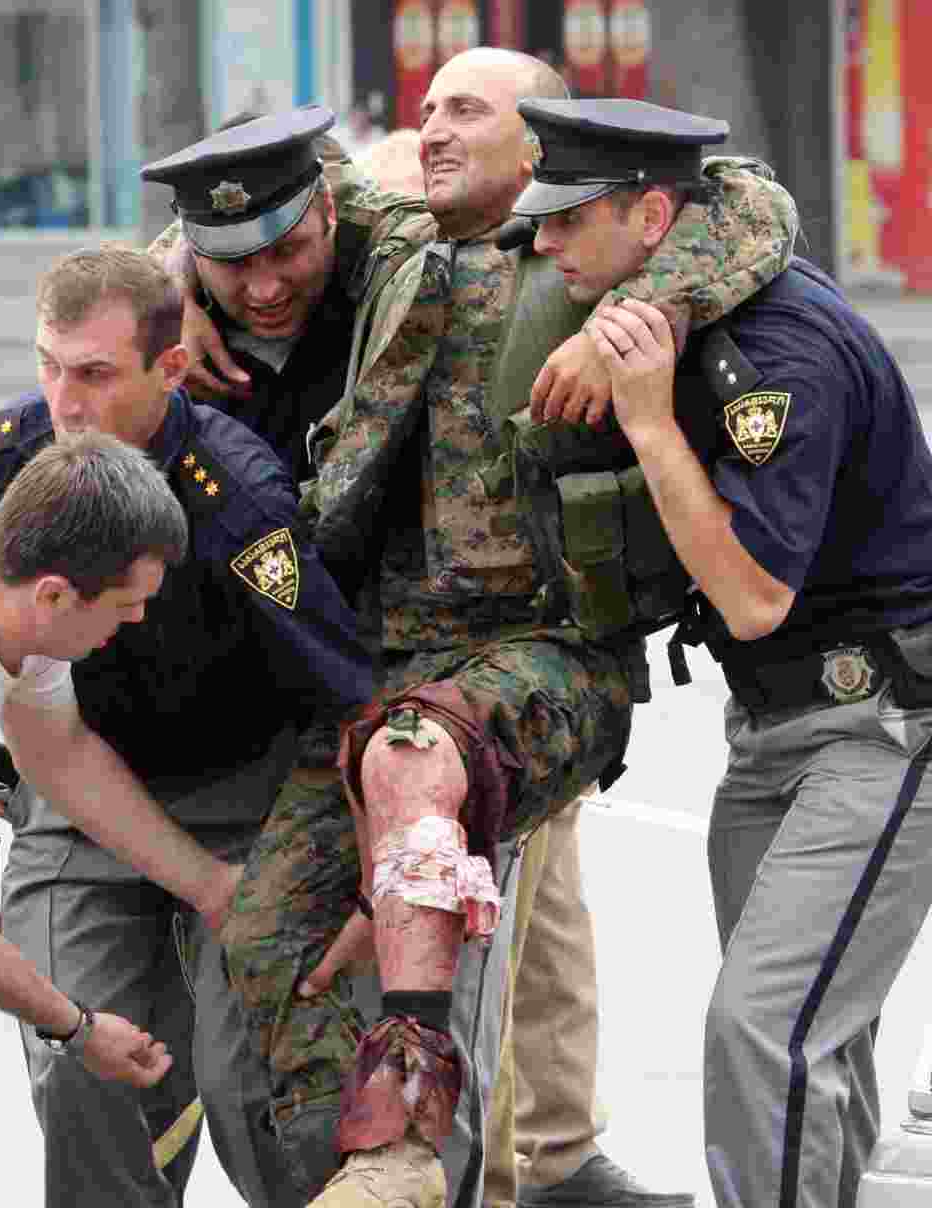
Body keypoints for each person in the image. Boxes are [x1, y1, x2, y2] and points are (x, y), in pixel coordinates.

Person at [206, 49, 798, 1208]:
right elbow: (268, 206)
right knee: (268, 926)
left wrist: (640, 311)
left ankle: (421, 1116)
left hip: (542, 658)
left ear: (541, 150)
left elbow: (755, 202)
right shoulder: (391, 229)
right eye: (425, 108)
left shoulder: (595, 254)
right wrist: (181, 262)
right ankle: (370, 1166)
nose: (429, 128)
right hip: (387, 668)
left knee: (433, 791)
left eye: (464, 111)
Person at [515, 95, 932, 1208]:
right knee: (812, 1044)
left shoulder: (777, 345)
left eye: (566, 220)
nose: (543, 243)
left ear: (652, 216)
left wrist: (649, 419)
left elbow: (750, 595)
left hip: (879, 728)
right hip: (772, 735)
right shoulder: (676, 306)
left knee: (763, 1031)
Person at [0, 244, 373, 1208]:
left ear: (169, 367)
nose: (64, 400)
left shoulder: (240, 497)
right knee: (79, 1066)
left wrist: (370, 869)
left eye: (95, 374)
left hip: (247, 799)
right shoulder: (1, 460)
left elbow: (344, 697)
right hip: (73, 799)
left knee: (252, 1088)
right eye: (49, 365)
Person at [0, 431, 193, 1208]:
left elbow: (58, 754)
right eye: (127, 603)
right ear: (57, 596)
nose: (135, 622)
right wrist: (77, 1026)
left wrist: (213, 887)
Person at [142, 106, 436, 483]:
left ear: (329, 209)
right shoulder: (164, 340)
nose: (265, 291)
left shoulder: (383, 282)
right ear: (195, 251)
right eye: (234, 262)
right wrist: (170, 301)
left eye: (286, 251)